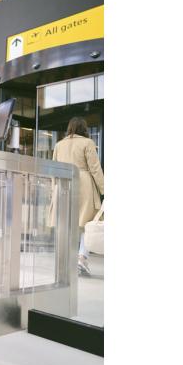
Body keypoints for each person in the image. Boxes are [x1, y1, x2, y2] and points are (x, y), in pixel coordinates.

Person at [52, 117, 104, 276]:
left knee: (67, 224)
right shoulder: (87, 143)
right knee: (87, 223)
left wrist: (54, 190)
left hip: (64, 184)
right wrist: (104, 190)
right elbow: (95, 168)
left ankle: (65, 260)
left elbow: (54, 169)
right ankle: (82, 257)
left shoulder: (59, 145)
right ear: (84, 128)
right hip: (84, 185)